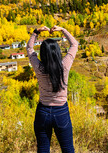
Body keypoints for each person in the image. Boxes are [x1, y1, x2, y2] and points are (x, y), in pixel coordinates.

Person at [27, 25, 78, 153]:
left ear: (42, 54)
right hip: (61, 111)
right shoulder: (64, 66)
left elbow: (29, 48)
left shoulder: (39, 67)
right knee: (68, 149)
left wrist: (36, 32)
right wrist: (63, 30)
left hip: (43, 112)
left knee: (43, 149)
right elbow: (74, 45)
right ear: (57, 52)